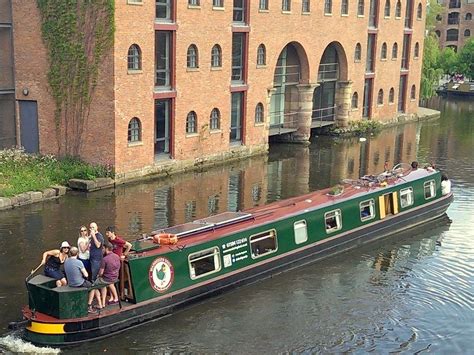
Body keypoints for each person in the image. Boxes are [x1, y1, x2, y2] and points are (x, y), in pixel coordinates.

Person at [64, 247, 103, 313]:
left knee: (92, 286)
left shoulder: (66, 261)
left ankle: (100, 303)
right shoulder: (79, 262)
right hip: (79, 283)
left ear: (70, 253)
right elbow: (86, 275)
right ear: (78, 253)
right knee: (93, 287)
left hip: (70, 283)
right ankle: (89, 305)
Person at [94, 242, 121, 306]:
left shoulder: (105, 259)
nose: (102, 250)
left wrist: (98, 275)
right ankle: (111, 298)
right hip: (116, 276)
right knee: (110, 282)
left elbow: (101, 273)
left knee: (94, 285)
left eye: (103, 248)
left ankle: (114, 299)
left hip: (108, 279)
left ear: (106, 249)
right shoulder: (117, 256)